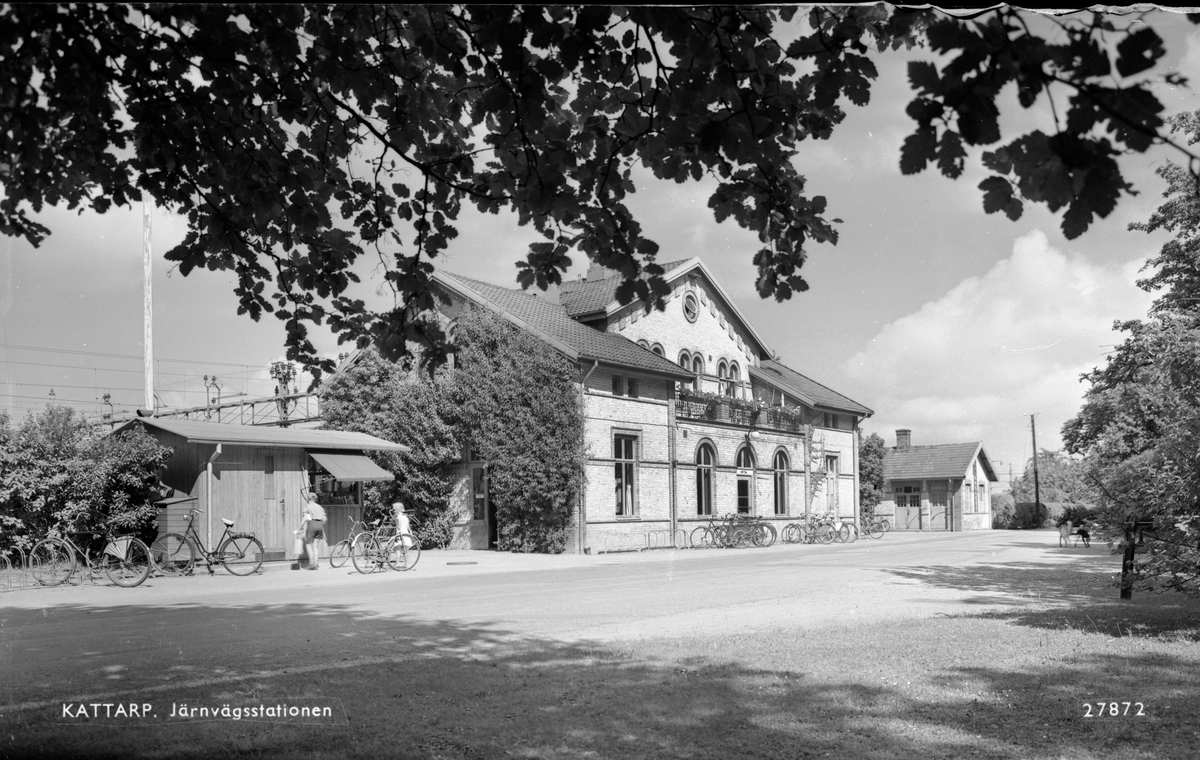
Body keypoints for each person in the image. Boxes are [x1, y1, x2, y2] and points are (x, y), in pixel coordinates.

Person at [302, 491, 327, 569]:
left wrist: (300, 527)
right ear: (315, 499)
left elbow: (305, 518)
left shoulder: (307, 506)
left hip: (312, 524)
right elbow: (325, 519)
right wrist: (319, 524)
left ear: (307, 499)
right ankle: (315, 564)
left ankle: (311, 563)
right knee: (315, 546)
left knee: (308, 544)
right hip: (319, 524)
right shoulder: (320, 507)